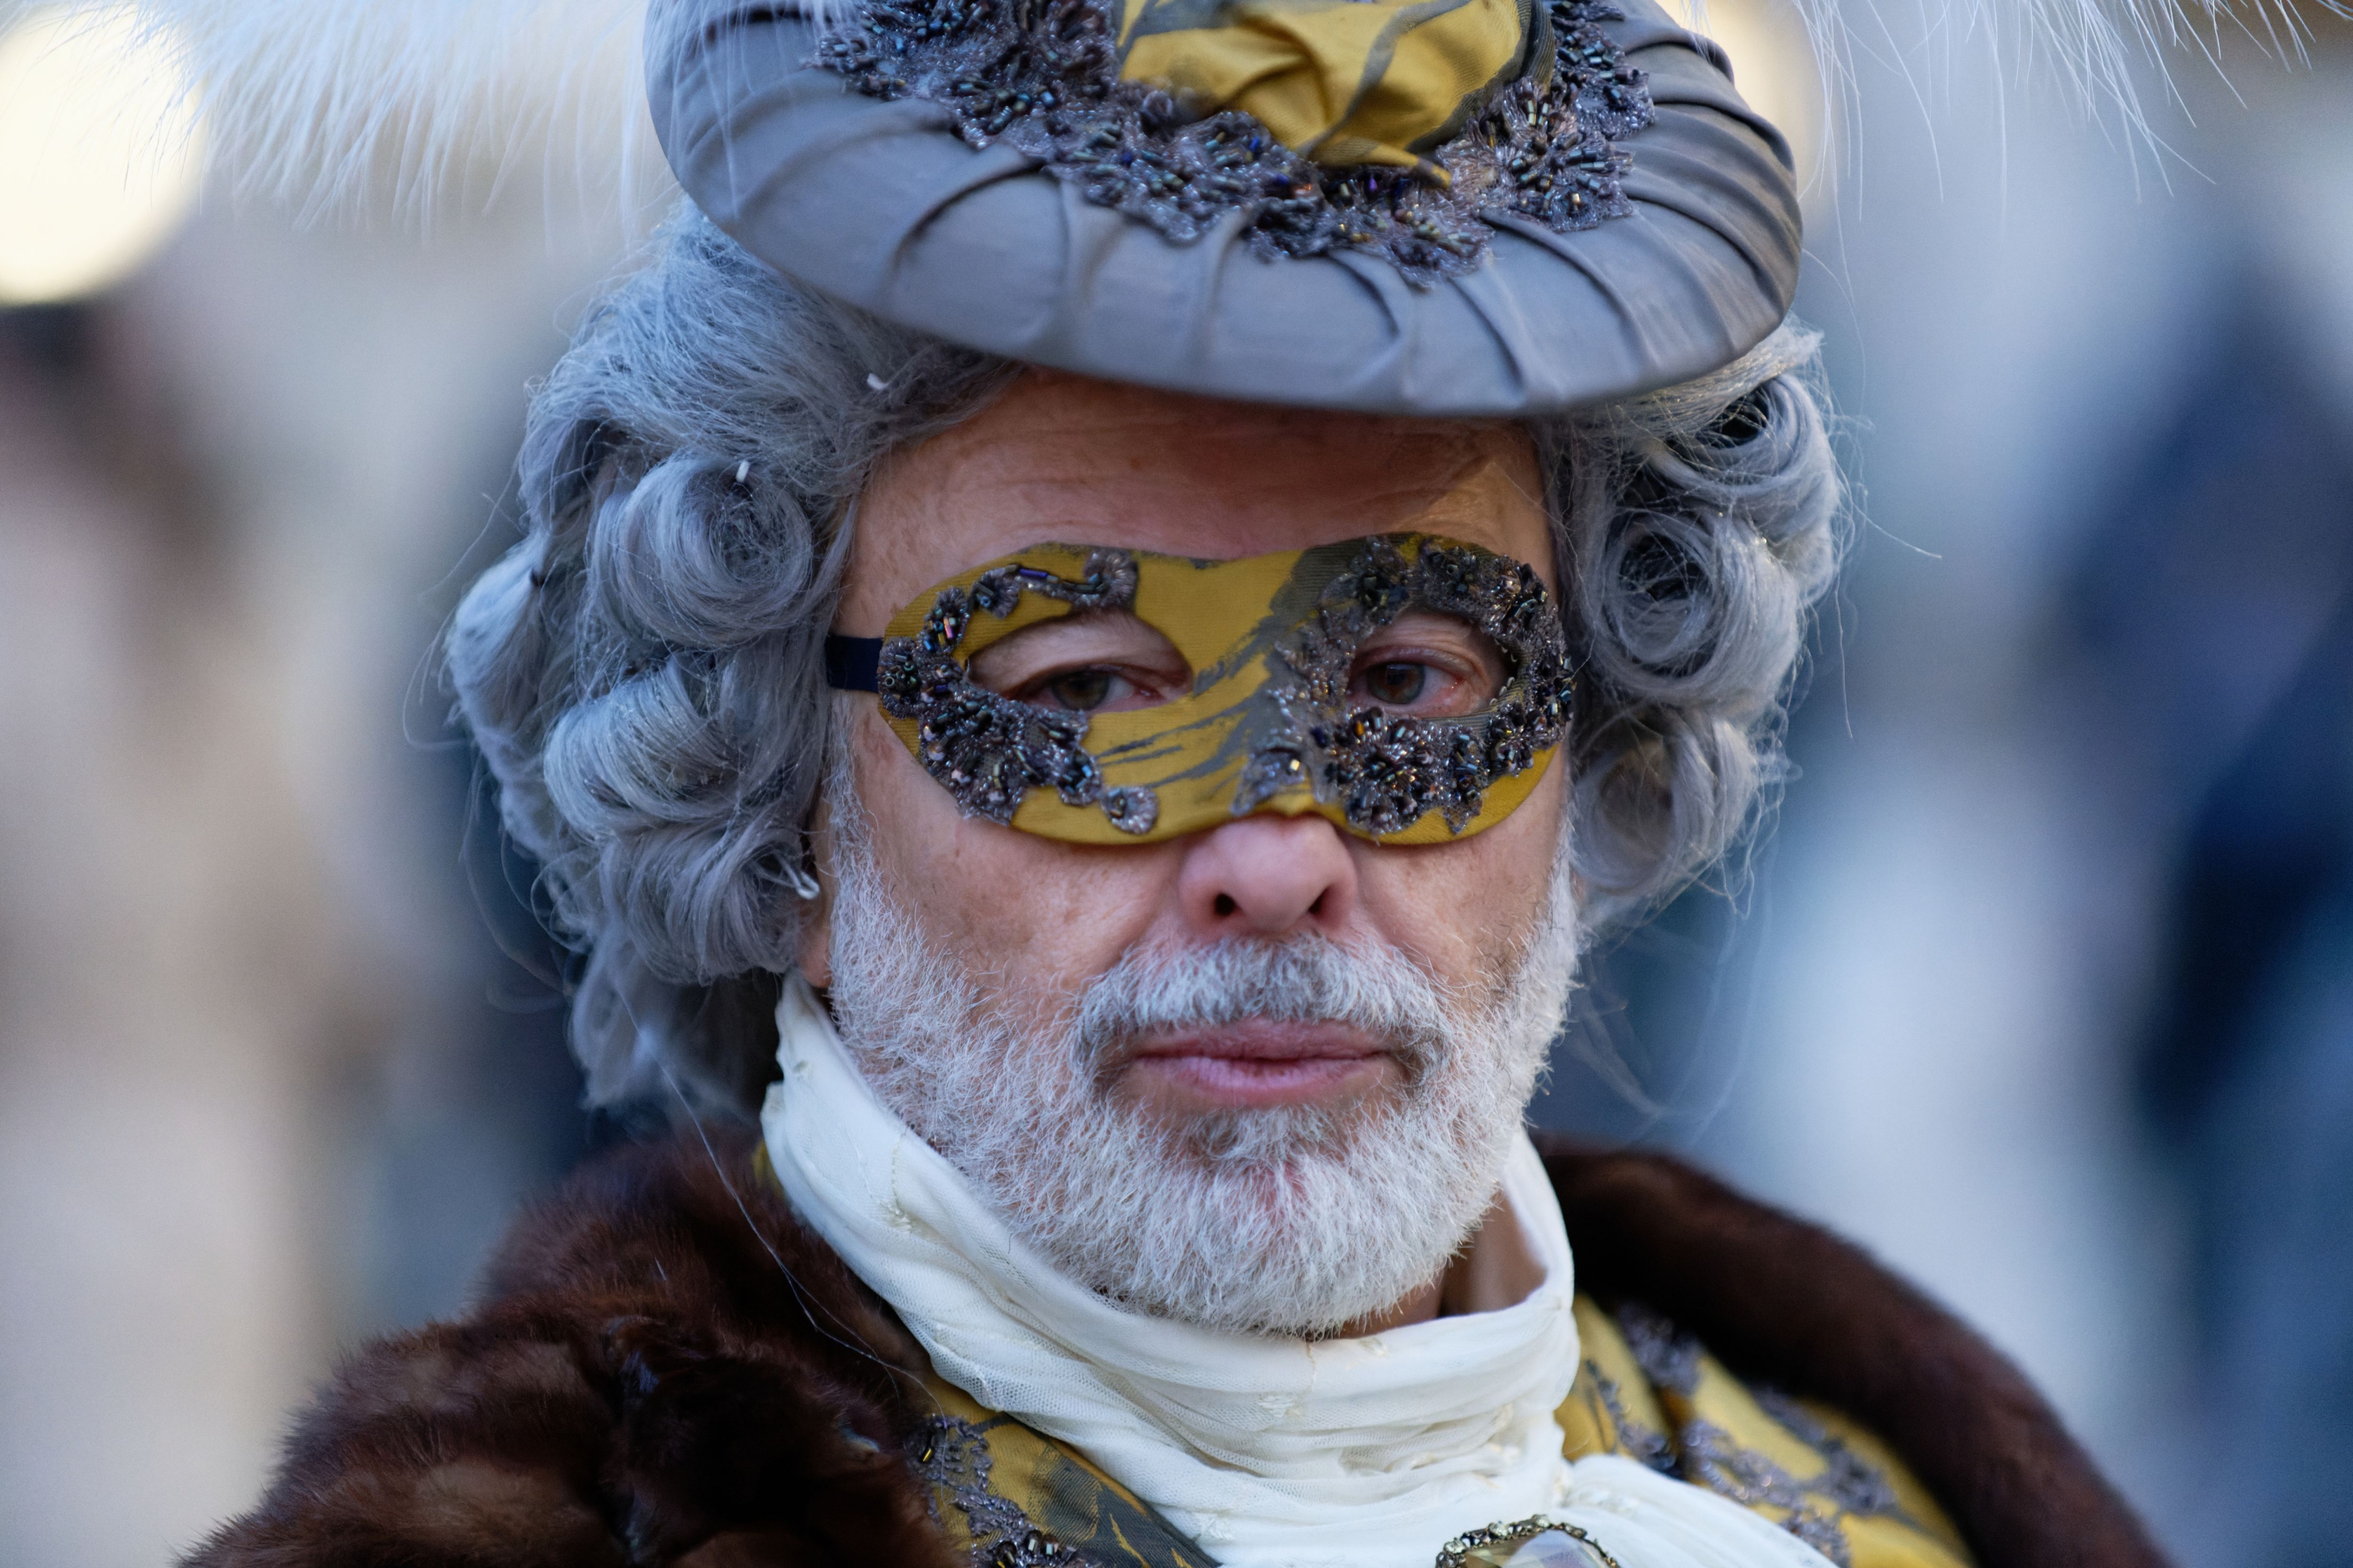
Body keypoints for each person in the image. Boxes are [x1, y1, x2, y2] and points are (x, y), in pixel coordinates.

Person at [177, 0, 2163, 1563]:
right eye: (1081, 691)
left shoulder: (1885, 1504)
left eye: (1408, 679)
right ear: (785, 805)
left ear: (1593, 736)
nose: (1278, 856)